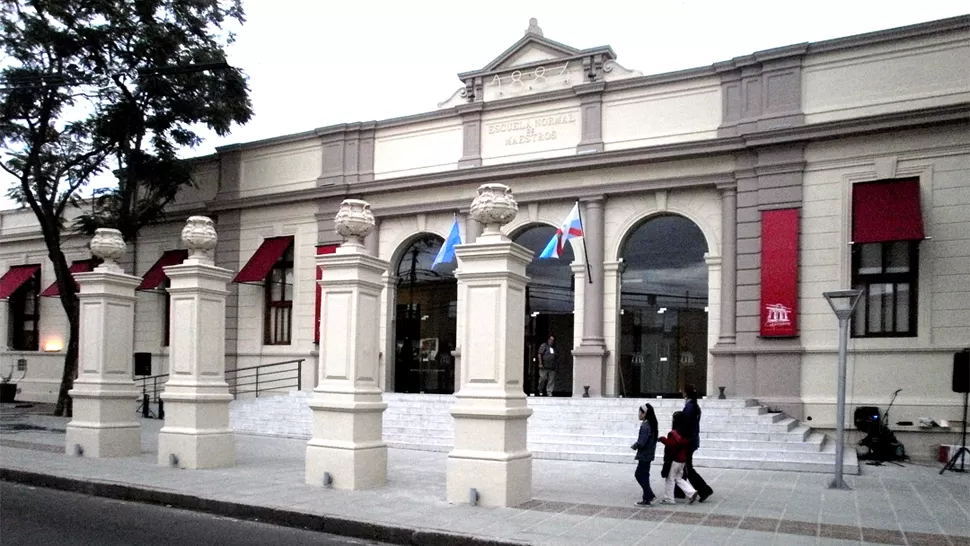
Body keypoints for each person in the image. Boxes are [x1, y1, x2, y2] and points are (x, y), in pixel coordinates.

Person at [680, 384, 714, 502]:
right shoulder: (694, 406)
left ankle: (704, 489)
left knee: (687, 467)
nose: (681, 392)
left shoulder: (690, 407)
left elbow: (686, 425)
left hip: (689, 441)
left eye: (683, 391)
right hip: (692, 440)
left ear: (686, 393)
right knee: (683, 467)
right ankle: (679, 491)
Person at [658, 411, 698, 504]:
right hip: (682, 459)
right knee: (678, 478)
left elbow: (671, 444)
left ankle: (669, 498)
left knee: (670, 478)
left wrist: (662, 439)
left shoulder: (673, 433)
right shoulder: (685, 433)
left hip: (674, 459)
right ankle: (691, 492)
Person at [630, 403, 658, 506]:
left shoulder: (646, 425)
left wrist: (635, 445)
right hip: (649, 453)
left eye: (640, 412)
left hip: (645, 454)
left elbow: (643, 441)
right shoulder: (652, 423)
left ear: (644, 413)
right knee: (644, 474)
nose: (638, 414)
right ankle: (648, 496)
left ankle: (648, 495)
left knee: (639, 474)